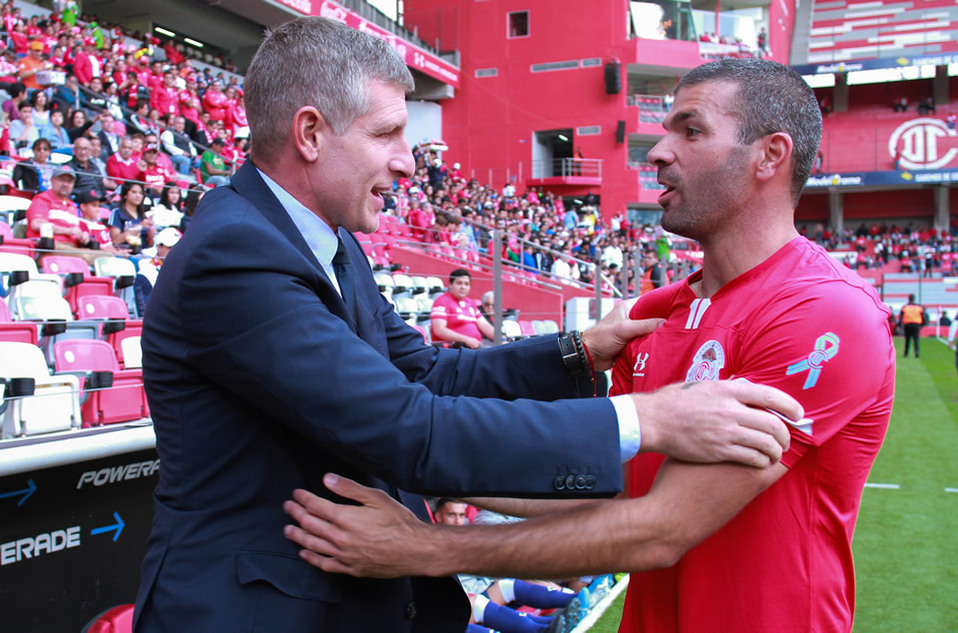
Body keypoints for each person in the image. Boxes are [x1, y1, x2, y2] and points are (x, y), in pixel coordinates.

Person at [132, 20, 800, 633]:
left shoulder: (328, 242)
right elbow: (409, 426)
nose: (407, 160)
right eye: (386, 133)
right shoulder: (237, 256)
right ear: (309, 134)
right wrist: (645, 421)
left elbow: (427, 372)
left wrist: (579, 350)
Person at [283, 58, 896, 633]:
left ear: (770, 155)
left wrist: (425, 547)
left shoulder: (823, 313)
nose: (658, 152)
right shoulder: (654, 314)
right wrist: (431, 471)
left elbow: (662, 527)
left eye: (691, 130)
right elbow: (604, 486)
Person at [431, 268, 495, 348]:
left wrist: (502, 339)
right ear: (450, 284)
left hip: (475, 347)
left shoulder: (470, 303)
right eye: (459, 283)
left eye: (466, 284)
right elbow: (439, 330)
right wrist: (466, 339)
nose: (463, 287)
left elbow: (486, 326)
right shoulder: (442, 301)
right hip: (454, 349)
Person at [899, 293, 926, 358]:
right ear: (914, 299)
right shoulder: (919, 307)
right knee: (916, 339)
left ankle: (906, 353)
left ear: (909, 299)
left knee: (907, 339)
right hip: (916, 324)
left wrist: (901, 325)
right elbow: (924, 316)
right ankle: (916, 352)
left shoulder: (905, 307)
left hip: (907, 324)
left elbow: (901, 317)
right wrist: (922, 325)